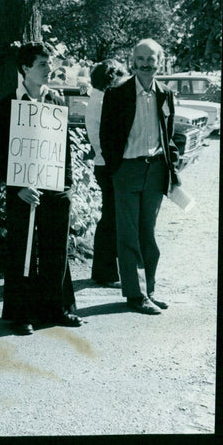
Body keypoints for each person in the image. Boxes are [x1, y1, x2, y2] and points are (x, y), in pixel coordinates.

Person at [0, 41, 81, 336]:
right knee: (23, 251)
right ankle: (22, 313)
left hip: (55, 187)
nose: (49, 69)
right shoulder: (7, 106)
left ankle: (58, 308)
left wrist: (66, 185)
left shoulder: (56, 100)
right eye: (42, 64)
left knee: (57, 248)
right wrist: (15, 187)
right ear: (26, 68)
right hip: (22, 190)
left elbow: (63, 147)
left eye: (49, 63)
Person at [99, 39, 181, 315]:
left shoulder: (166, 93)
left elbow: (168, 137)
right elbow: (106, 137)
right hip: (127, 169)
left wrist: (173, 168)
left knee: (149, 234)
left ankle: (151, 291)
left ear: (160, 61)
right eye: (141, 58)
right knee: (128, 234)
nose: (146, 64)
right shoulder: (117, 93)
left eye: (152, 58)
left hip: (155, 170)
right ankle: (135, 295)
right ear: (133, 61)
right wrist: (117, 168)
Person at [85, 59, 127, 288]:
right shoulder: (103, 101)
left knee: (110, 217)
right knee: (111, 218)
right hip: (108, 164)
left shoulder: (96, 99)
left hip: (103, 163)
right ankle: (105, 272)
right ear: (111, 78)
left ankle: (106, 270)